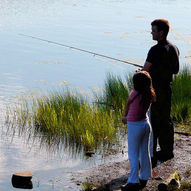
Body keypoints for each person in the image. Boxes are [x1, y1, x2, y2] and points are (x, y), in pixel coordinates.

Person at [143, 19, 179, 165]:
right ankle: (167, 151)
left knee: (153, 121)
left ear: (161, 32)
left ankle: (152, 154)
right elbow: (175, 70)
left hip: (155, 91)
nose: (152, 33)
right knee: (166, 119)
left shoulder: (155, 49)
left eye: (154, 30)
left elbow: (145, 70)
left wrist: (140, 72)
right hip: (167, 89)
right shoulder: (174, 47)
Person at [121, 71, 156, 191]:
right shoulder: (149, 94)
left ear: (135, 84)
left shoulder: (134, 94)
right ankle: (144, 177)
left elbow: (128, 105)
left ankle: (133, 181)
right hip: (146, 124)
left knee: (133, 154)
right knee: (144, 152)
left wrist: (125, 117)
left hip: (135, 126)